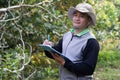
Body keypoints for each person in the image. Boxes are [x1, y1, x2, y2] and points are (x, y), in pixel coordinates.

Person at [43, 3, 100, 80]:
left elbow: (88, 69)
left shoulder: (91, 42)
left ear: (89, 20)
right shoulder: (67, 35)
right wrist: (47, 48)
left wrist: (65, 63)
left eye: (82, 16)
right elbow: (56, 53)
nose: (77, 18)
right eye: (75, 15)